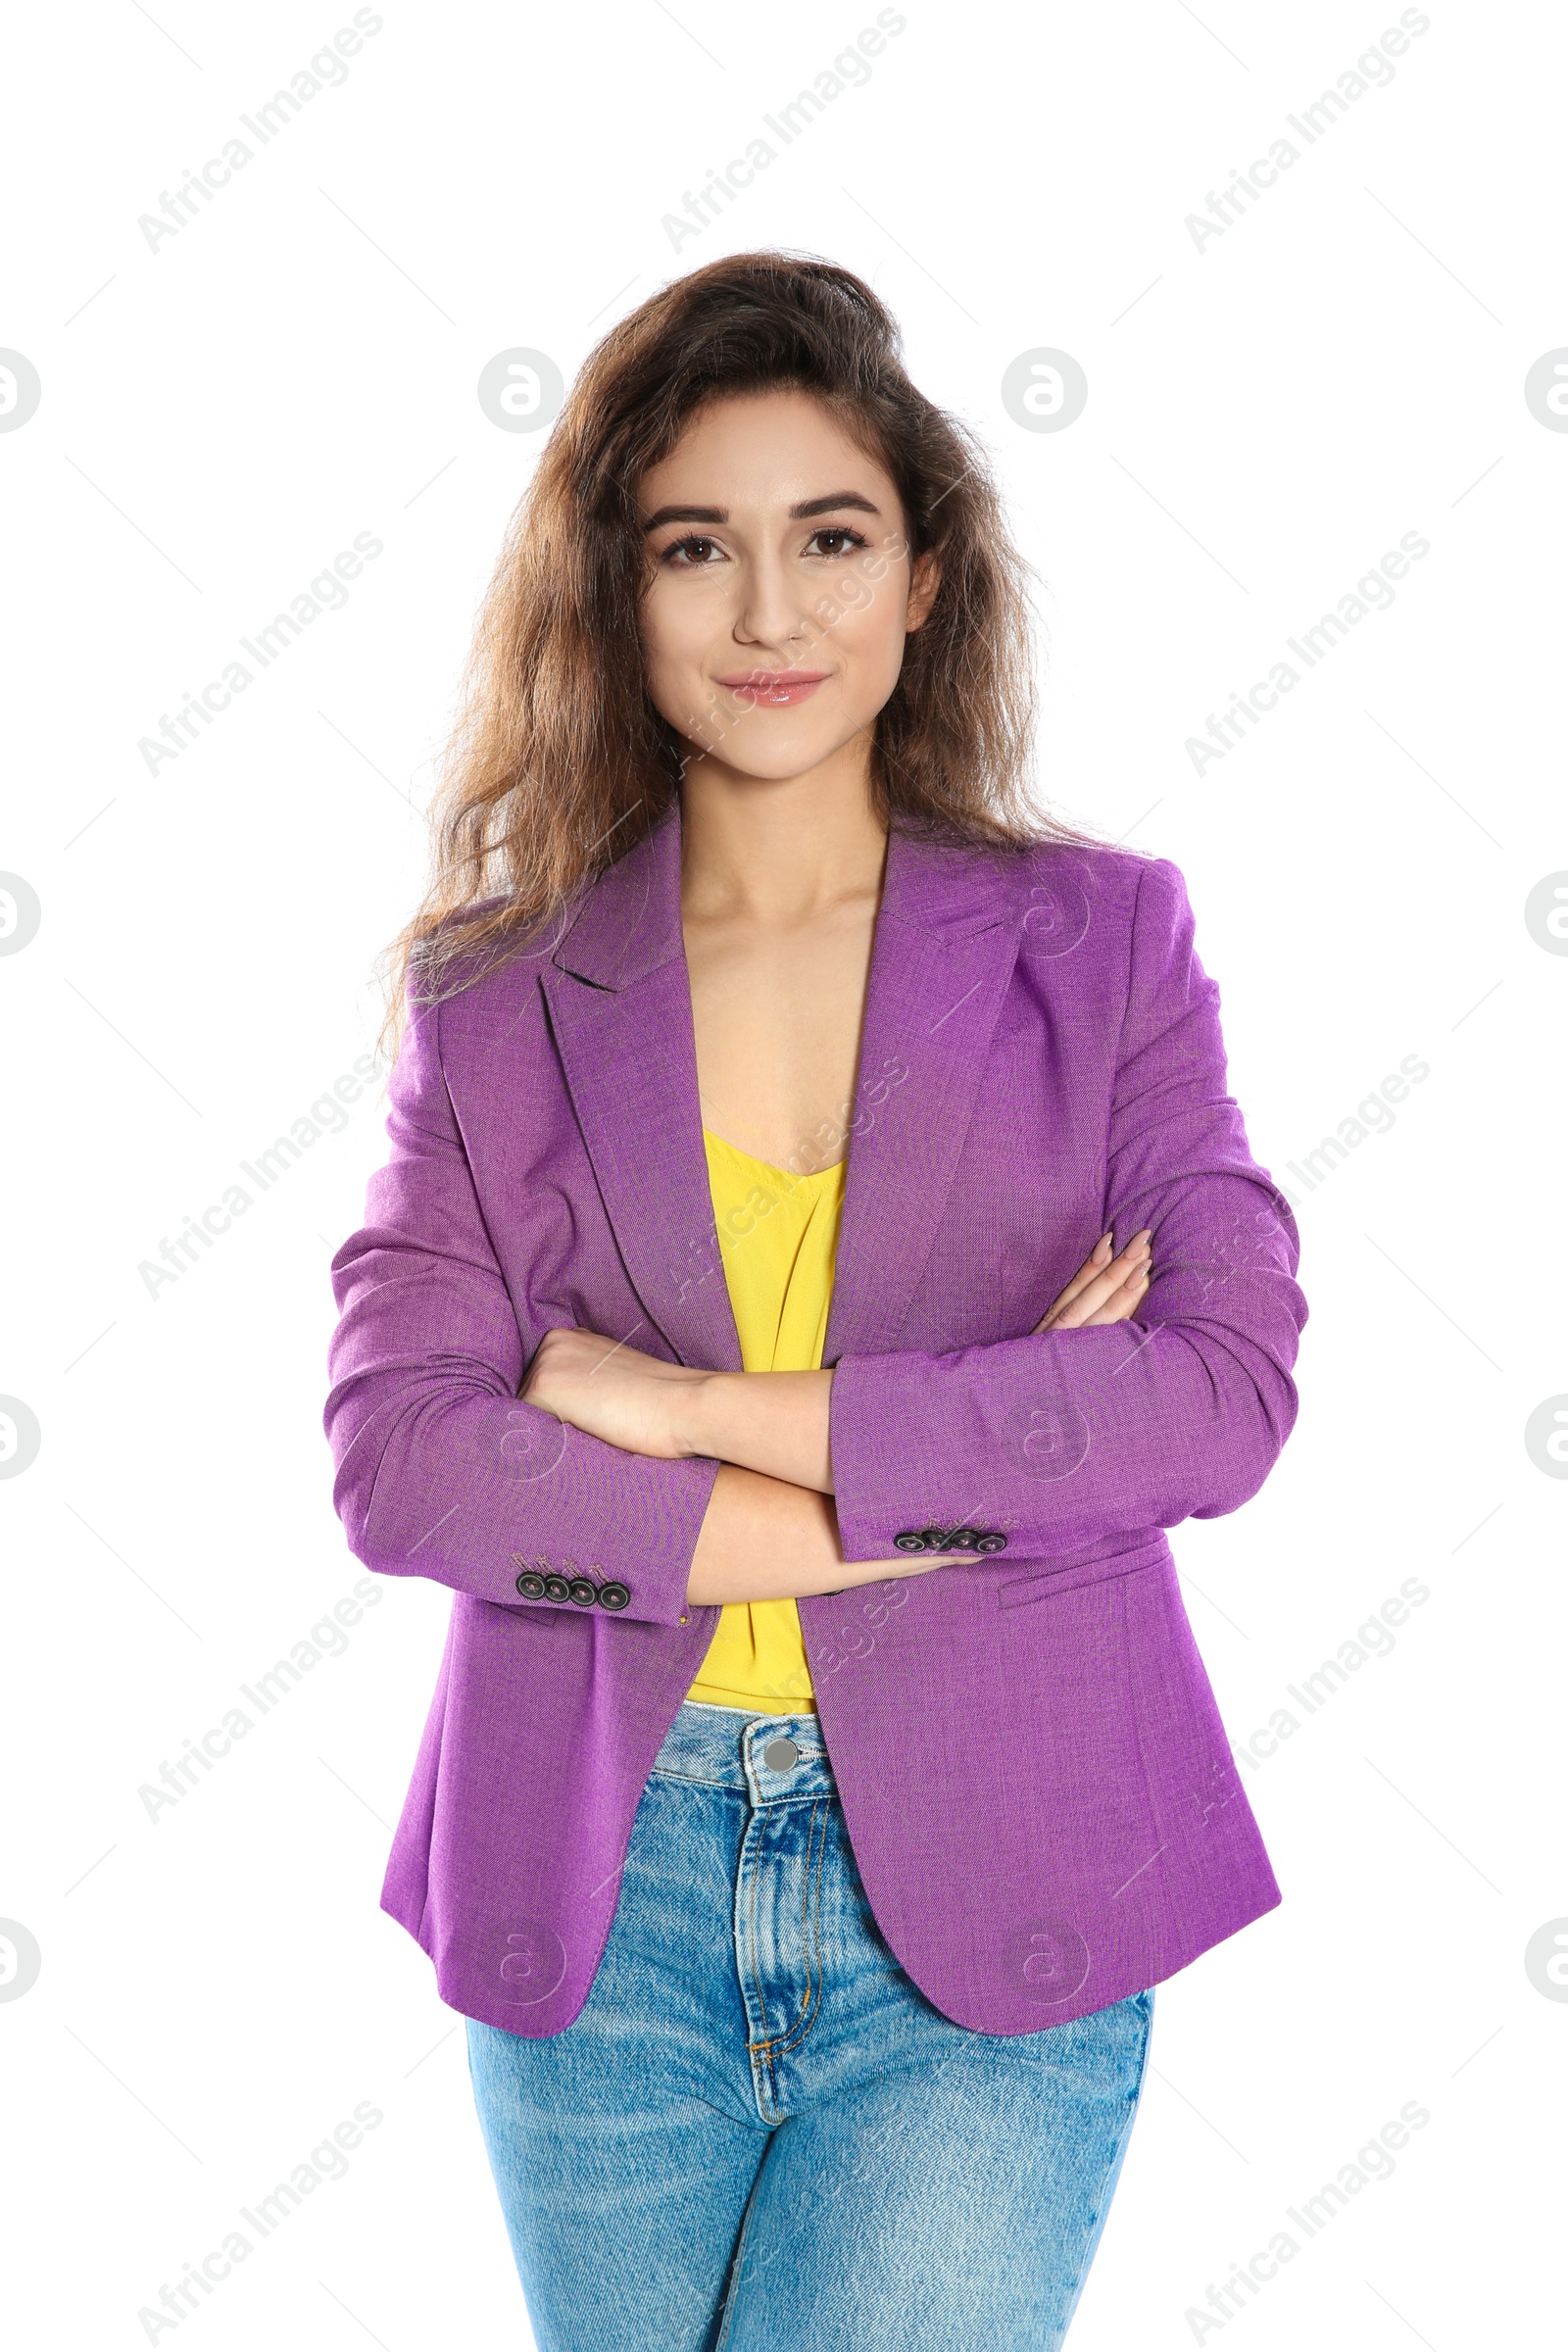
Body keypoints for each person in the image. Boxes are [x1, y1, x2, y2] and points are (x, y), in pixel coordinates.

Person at [324, 250, 1307, 2352]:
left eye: (829, 539)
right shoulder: (492, 995)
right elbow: (401, 1458)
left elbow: (1214, 1392)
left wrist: (676, 1411)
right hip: (605, 1867)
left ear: (924, 575)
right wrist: (950, 1474)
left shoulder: (1099, 944)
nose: (769, 615)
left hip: (1006, 1862)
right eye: (698, 548)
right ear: (620, 590)